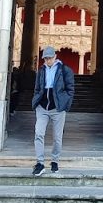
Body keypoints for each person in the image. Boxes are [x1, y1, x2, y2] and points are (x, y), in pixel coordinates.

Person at [31, 46, 75, 176]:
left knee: (57, 137)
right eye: (45, 58)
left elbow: (70, 89)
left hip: (58, 108)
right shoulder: (41, 70)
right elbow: (37, 88)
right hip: (42, 107)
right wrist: (36, 100)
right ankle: (40, 163)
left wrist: (65, 103)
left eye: (50, 58)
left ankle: (55, 161)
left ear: (55, 56)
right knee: (38, 133)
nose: (48, 60)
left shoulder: (64, 70)